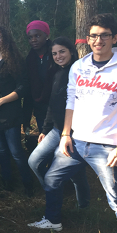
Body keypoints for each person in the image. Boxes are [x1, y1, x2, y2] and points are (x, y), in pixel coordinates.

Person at [28, 13, 117, 233]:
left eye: (104, 36)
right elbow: (71, 101)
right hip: (76, 140)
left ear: (115, 38)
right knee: (51, 179)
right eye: (94, 36)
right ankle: (53, 220)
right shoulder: (79, 66)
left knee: (115, 197)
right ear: (88, 39)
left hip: (107, 146)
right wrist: (66, 134)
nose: (98, 41)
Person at [28, 37, 90, 214]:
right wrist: (44, 130)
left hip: (75, 132)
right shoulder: (57, 73)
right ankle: (54, 193)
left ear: (71, 51)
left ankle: (83, 207)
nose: (58, 56)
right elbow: (52, 104)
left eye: (62, 51)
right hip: (56, 130)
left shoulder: (81, 72)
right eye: (54, 53)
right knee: (34, 161)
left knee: (78, 174)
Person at [0, 26, 33, 196]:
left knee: (16, 151)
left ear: (6, 39)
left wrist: (1, 101)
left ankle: (28, 185)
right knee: (2, 150)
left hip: (10, 112)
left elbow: (23, 87)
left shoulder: (15, 60)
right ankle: (7, 184)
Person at [23, 20, 55, 136]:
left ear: (46, 35)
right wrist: (26, 117)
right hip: (40, 110)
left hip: (58, 108)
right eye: (30, 37)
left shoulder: (56, 54)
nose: (33, 40)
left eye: (37, 36)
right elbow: (28, 89)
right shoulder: (29, 59)